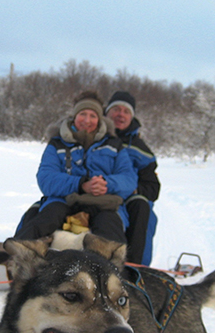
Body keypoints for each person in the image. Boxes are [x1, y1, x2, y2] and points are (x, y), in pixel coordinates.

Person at [14, 91, 137, 243]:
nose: (87, 120)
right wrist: (81, 184)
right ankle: (17, 257)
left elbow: (129, 178)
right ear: (74, 117)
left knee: (110, 233)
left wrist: (106, 184)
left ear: (99, 120)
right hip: (64, 200)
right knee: (43, 222)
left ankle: (114, 265)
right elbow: (46, 178)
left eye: (93, 116)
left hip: (104, 203)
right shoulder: (57, 143)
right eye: (82, 114)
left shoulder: (114, 144)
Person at [105, 91, 160, 266]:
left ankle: (137, 267)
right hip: (97, 190)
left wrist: (134, 189)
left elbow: (152, 187)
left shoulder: (141, 150)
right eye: (116, 109)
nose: (120, 114)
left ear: (132, 117)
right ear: (107, 112)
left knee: (143, 208)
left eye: (126, 111)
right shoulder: (96, 136)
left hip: (128, 198)